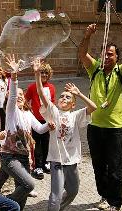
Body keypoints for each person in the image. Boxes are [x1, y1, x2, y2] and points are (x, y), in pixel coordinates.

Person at [79, 24, 122, 211]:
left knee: (114, 168)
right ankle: (104, 196)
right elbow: (82, 54)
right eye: (104, 54)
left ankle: (115, 202)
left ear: (117, 58)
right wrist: (87, 35)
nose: (106, 57)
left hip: (115, 129)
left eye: (110, 54)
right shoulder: (95, 69)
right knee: (98, 167)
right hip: (95, 126)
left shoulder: (121, 72)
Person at [33, 59, 97, 211]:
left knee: (73, 191)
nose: (64, 98)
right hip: (56, 161)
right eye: (62, 96)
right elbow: (41, 94)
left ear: (73, 104)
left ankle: (58, 208)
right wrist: (36, 74)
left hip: (72, 161)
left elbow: (93, 107)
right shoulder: (53, 112)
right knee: (55, 194)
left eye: (68, 97)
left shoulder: (76, 115)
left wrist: (79, 93)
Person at [0, 54, 54, 210]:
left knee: (23, 195)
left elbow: (39, 129)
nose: (18, 96)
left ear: (24, 99)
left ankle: (11, 207)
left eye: (21, 94)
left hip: (24, 157)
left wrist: (49, 124)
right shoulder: (12, 112)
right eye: (16, 95)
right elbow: (12, 95)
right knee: (30, 184)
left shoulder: (28, 114)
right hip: (9, 156)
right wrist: (14, 76)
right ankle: (1, 203)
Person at [25, 62, 56, 179]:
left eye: (46, 73)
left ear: (49, 75)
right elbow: (26, 99)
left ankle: (45, 163)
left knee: (47, 142)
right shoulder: (32, 87)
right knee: (37, 143)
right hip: (36, 119)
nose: (43, 75)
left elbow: (52, 101)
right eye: (41, 72)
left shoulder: (52, 87)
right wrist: (28, 112)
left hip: (48, 119)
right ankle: (37, 166)